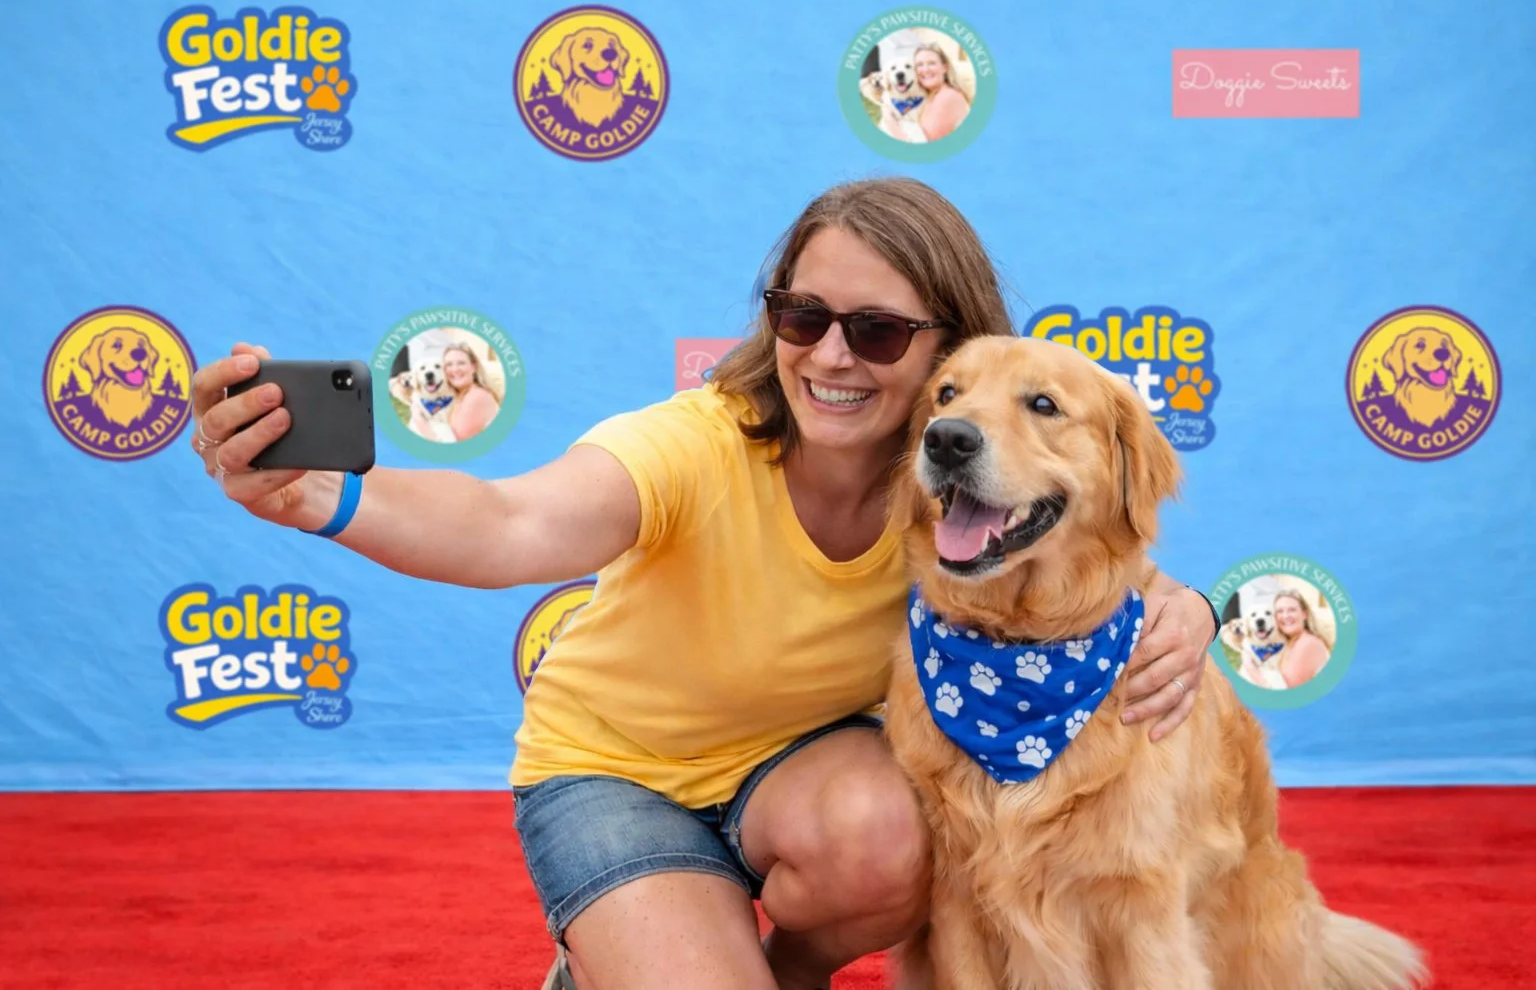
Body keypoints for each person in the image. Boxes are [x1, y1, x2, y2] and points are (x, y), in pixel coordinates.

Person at [186, 177, 1219, 990]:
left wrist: (1190, 608)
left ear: (949, 353)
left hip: (803, 778)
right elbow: (512, 521)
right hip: (617, 776)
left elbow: (1096, 548)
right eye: (803, 315)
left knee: (894, 835)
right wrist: (331, 497)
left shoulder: (958, 494)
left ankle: (782, 971)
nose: (830, 355)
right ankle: (612, 952)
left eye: (878, 331)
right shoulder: (695, 445)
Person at [408, 341, 501, 443]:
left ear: (474, 366)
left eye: (461, 363)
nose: (455, 369)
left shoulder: (477, 396)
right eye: (449, 364)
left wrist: (419, 420)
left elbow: (452, 448)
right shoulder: (458, 395)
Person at [1240, 589, 1331, 690]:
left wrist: (1251, 668)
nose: (1286, 616)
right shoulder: (1288, 642)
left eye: (1292, 610)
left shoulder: (1308, 643)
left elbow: (1285, 696)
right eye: (1280, 611)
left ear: (1304, 614)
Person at [881, 43, 971, 144]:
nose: (925, 69)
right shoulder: (927, 94)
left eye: (931, 63)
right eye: (919, 65)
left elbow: (923, 148)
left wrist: (890, 122)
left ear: (945, 67)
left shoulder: (948, 96)